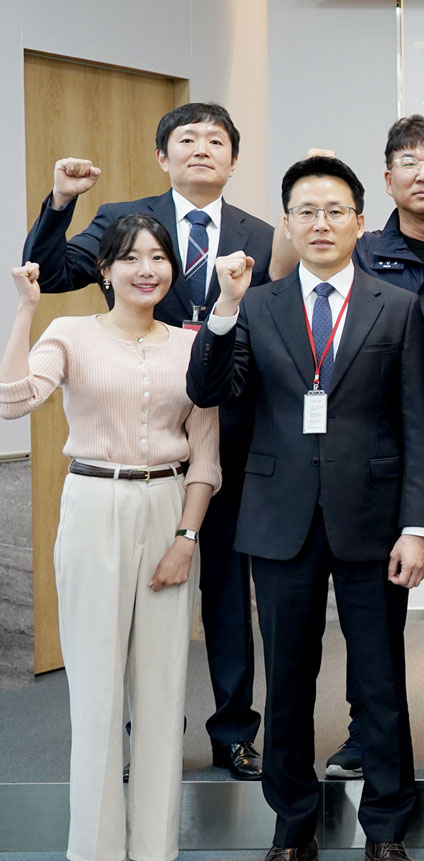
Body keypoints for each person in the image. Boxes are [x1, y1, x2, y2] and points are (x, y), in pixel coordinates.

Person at [187, 155, 424, 861]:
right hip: (279, 517)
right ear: (287, 224)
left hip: (374, 521)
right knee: (290, 681)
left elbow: (416, 422)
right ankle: (292, 825)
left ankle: (386, 826)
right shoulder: (255, 304)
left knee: (380, 681)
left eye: (335, 211)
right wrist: (224, 308)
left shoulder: (397, 305)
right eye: (306, 211)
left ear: (360, 221)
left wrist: (417, 527)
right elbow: (208, 390)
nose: (320, 223)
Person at [21, 101, 270, 780]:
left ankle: (234, 731)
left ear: (233, 159)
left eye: (215, 140)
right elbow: (50, 271)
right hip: (145, 438)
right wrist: (60, 203)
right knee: (140, 600)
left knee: (226, 592)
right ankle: (150, 731)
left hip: (227, 435)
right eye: (186, 139)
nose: (201, 148)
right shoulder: (123, 220)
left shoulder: (262, 235)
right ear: (163, 155)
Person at [3, 214, 221, 861]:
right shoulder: (70, 333)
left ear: (172, 269)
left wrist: (186, 537)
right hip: (94, 503)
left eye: (158, 257)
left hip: (169, 508)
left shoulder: (193, 346)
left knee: (163, 691)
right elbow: (12, 402)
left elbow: (206, 459)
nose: (146, 270)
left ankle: (155, 850)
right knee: (96, 691)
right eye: (130, 258)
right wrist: (25, 310)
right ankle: (94, 851)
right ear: (104, 270)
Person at [301, 116, 424, 780]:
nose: (423, 173)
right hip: (377, 463)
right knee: (375, 605)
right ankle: (368, 729)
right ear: (387, 179)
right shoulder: (356, 255)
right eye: (408, 162)